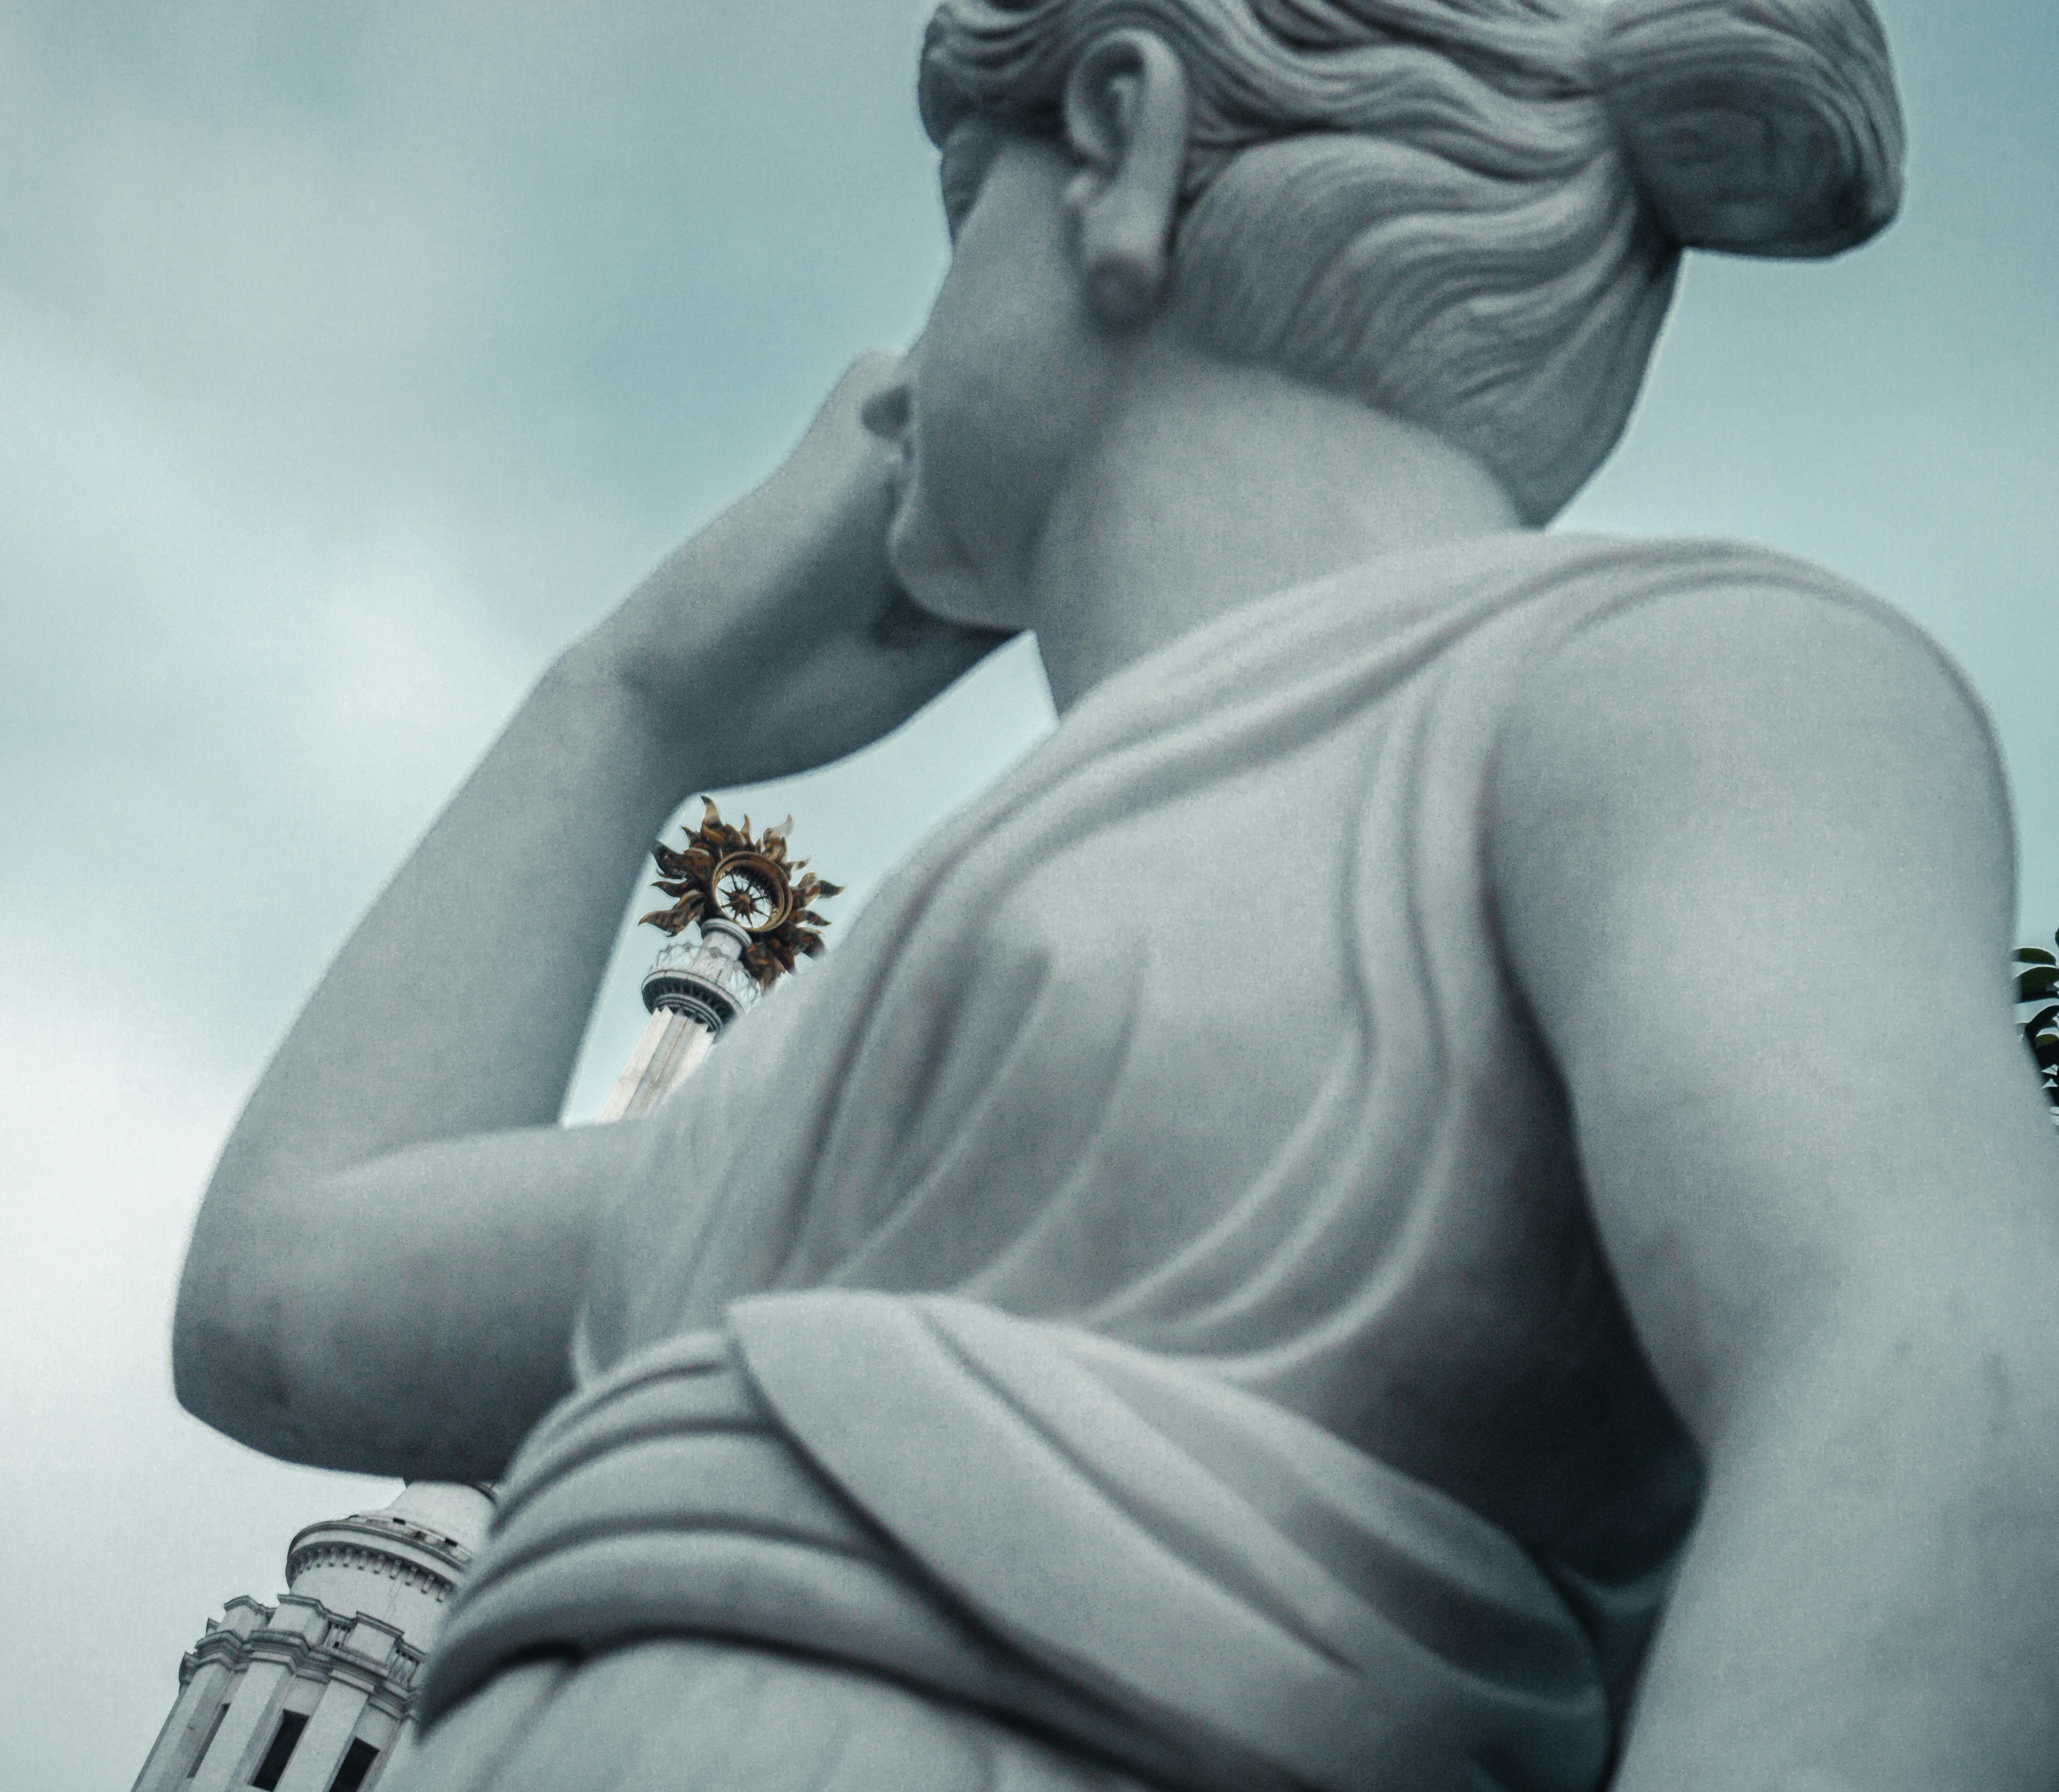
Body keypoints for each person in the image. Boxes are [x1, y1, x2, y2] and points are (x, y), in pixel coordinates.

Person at [173, 1, 2059, 1786]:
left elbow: (1930, 1371)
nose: (902, 356)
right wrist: (623, 703)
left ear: (1123, 145)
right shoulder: (909, 1021)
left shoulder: (1668, 688)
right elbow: (282, 1304)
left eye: (957, 212)